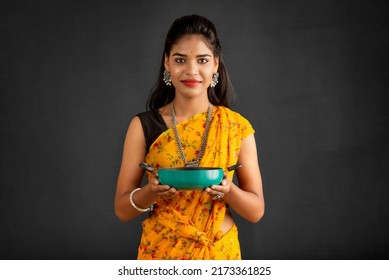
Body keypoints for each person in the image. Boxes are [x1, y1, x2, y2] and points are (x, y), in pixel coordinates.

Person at [114, 14, 264, 260]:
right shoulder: (143, 125)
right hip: (162, 254)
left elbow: (256, 211)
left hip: (220, 255)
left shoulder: (236, 127)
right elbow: (121, 210)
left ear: (215, 64)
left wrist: (228, 191)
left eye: (202, 60)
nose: (191, 71)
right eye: (180, 60)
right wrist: (151, 191)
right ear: (167, 63)